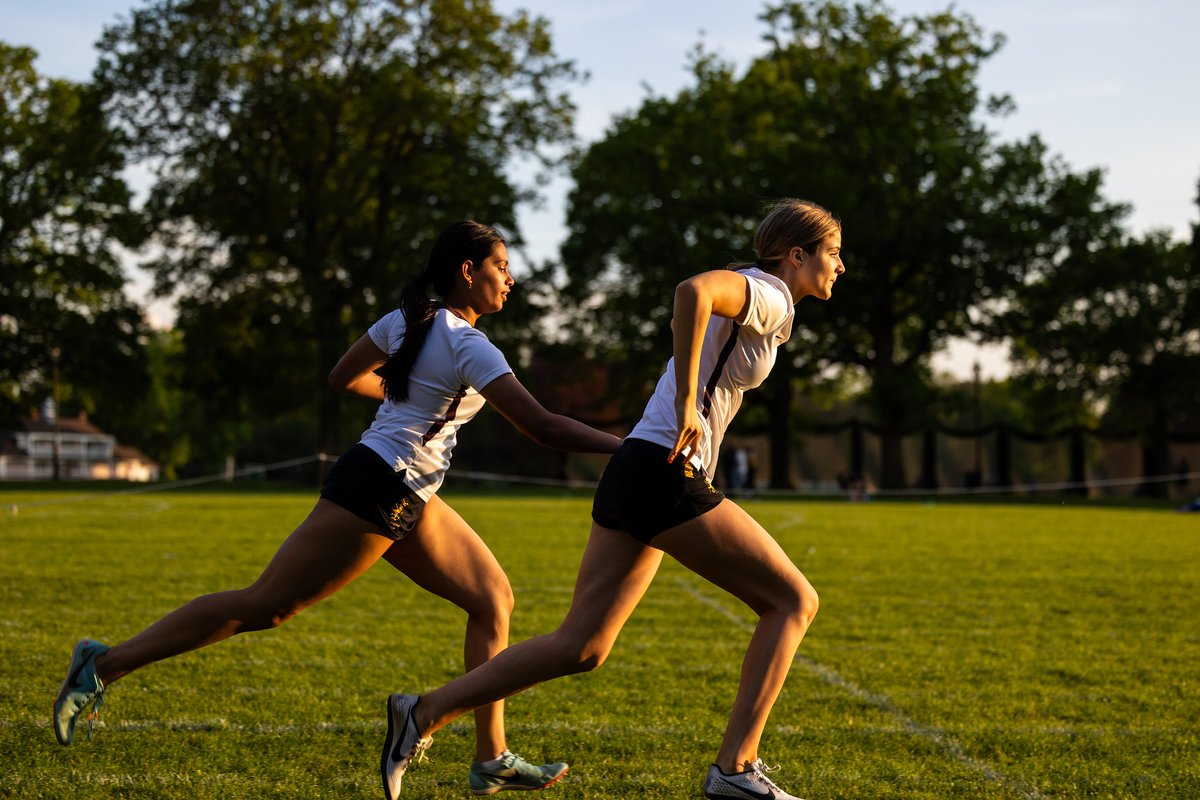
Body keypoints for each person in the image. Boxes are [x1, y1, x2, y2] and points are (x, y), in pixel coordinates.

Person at [53, 220, 622, 796]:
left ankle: (490, 757)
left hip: (408, 491)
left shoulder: (409, 321)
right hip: (378, 486)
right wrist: (627, 448)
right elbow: (543, 427)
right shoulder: (468, 344)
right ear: (466, 271)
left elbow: (343, 377)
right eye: (502, 266)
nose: (512, 279)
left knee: (492, 598)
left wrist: (405, 397)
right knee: (265, 606)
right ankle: (101, 665)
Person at [381, 199, 844, 800]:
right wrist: (684, 405)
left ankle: (421, 713)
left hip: (639, 470)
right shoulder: (770, 290)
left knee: (582, 645)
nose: (840, 266)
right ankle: (735, 769)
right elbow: (692, 292)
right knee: (792, 601)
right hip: (664, 470)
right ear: (797, 254)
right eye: (833, 254)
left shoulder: (773, 306)